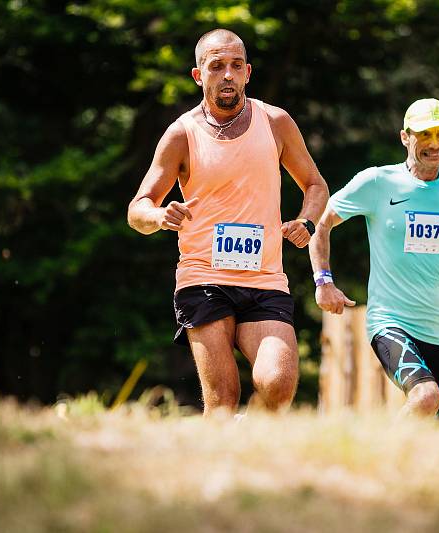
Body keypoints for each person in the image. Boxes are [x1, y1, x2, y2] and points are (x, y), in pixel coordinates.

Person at [127, 29, 329, 416]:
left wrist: (306, 220)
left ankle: (249, 442)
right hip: (203, 277)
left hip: (264, 278)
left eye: (236, 66)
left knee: (279, 383)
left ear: (248, 72)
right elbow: (138, 208)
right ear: (198, 75)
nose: (227, 75)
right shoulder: (181, 134)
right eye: (216, 66)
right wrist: (158, 214)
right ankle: (223, 463)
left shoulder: (275, 122)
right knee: (222, 399)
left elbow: (316, 184)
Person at [309, 98, 439, 418]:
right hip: (390, 321)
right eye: (425, 135)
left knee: (431, 423)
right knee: (425, 396)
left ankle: (391, 464)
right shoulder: (378, 182)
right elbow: (321, 225)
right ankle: (378, 459)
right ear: (405, 137)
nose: (435, 144)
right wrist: (323, 281)